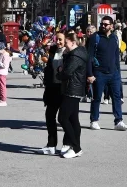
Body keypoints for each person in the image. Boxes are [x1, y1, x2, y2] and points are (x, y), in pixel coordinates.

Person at [87, 16, 127, 131]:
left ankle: (118, 121)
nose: (103, 26)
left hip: (113, 73)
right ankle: (94, 120)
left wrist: (118, 73)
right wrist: (90, 74)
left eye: (106, 24)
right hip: (99, 73)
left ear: (111, 25)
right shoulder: (95, 37)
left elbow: (116, 58)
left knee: (116, 97)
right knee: (97, 98)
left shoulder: (115, 38)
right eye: (102, 24)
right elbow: (89, 56)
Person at [57, 31, 88, 159]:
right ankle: (74, 147)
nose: (65, 45)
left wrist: (59, 72)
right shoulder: (75, 53)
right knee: (73, 120)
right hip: (74, 89)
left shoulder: (76, 56)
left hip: (72, 89)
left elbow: (67, 72)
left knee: (63, 118)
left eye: (67, 43)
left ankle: (76, 147)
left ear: (73, 42)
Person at [42, 33, 69, 155]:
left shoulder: (69, 52)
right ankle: (51, 144)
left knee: (64, 119)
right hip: (53, 87)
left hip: (65, 89)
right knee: (49, 116)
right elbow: (49, 68)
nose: (58, 42)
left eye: (60, 40)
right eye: (57, 39)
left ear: (65, 40)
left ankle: (67, 144)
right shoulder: (53, 51)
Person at [0, 41, 12, 107]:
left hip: (2, 72)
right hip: (0, 72)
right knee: (0, 86)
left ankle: (3, 100)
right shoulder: (3, 54)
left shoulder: (5, 54)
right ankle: (1, 99)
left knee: (2, 87)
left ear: (2, 48)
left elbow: (5, 65)